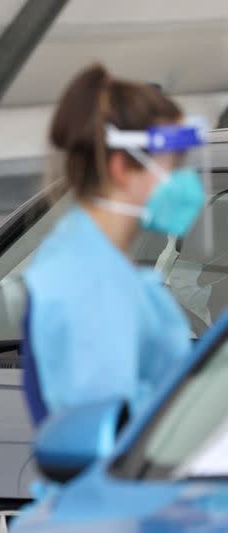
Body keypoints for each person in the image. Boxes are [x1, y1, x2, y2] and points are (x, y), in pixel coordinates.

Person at [21, 64, 208, 426]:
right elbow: (108, 432)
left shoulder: (91, 263)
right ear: (123, 167)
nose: (186, 180)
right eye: (175, 163)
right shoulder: (88, 281)